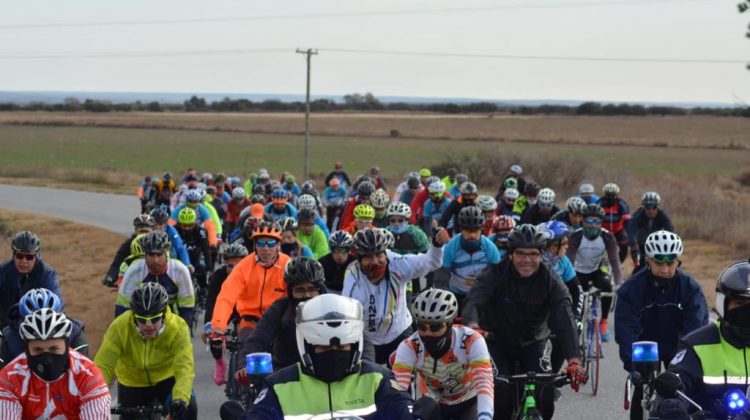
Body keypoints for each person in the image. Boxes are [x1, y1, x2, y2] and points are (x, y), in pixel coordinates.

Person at [462, 224, 586, 420]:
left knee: (546, 396)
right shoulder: (495, 273)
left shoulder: (550, 280)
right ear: (510, 254)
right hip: (497, 342)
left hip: (534, 342)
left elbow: (565, 318)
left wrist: (574, 360)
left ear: (541, 255)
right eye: (520, 253)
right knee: (501, 399)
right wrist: (473, 325)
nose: (527, 260)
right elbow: (474, 300)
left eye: (533, 254)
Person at [245, 294, 414, 419]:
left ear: (355, 344)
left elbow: (401, 408)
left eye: (341, 346)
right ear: (307, 347)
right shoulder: (279, 387)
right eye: (323, 347)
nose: (334, 352)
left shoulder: (377, 380)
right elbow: (260, 414)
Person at [653, 260, 750, 418]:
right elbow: (678, 381)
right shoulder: (697, 345)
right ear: (723, 304)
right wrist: (673, 405)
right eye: (740, 303)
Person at [343, 227, 449, 364]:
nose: (375, 262)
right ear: (359, 259)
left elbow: (431, 262)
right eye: (368, 257)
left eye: (379, 255)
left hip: (400, 331)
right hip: (368, 339)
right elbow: (347, 317)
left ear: (385, 253)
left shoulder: (397, 263)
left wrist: (437, 246)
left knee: (408, 375)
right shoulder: (353, 279)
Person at [96, 283, 196, 420]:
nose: (148, 325)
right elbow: (103, 365)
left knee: (188, 407)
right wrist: (95, 395)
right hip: (132, 382)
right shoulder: (120, 326)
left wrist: (180, 399)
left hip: (166, 378)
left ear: (164, 315)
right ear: (134, 316)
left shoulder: (178, 327)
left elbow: (185, 367)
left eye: (154, 319)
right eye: (142, 320)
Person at [392, 289, 494, 420]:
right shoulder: (409, 347)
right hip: (433, 403)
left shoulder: (471, 340)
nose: (428, 333)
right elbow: (397, 392)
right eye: (422, 327)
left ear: (450, 323)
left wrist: (485, 417)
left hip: (469, 401)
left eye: (435, 327)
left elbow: (484, 382)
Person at [615, 231, 707, 373]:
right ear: (648, 261)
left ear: (678, 262)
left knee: (682, 385)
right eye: (659, 263)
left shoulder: (690, 288)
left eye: (670, 263)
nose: (665, 270)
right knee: (640, 379)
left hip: (677, 345)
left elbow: (697, 327)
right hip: (645, 347)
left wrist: (690, 361)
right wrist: (632, 366)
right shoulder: (631, 288)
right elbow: (625, 329)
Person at [0, 308, 110, 418]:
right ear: (27, 350)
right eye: (38, 350)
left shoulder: (88, 376)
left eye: (54, 349)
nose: (47, 359)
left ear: (67, 346)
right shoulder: (9, 378)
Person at [210, 221, 290, 342]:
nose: (266, 248)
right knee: (247, 349)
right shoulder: (243, 266)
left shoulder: (288, 265)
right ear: (254, 245)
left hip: (279, 320)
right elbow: (226, 297)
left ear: (278, 245)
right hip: (250, 321)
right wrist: (218, 328)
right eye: (261, 243)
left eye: (271, 243)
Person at [566, 203, 621, 342]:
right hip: (578, 272)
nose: (593, 225)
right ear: (582, 221)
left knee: (607, 286)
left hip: (597, 270)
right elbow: (569, 260)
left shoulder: (607, 237)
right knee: (579, 299)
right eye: (589, 221)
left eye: (597, 222)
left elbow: (614, 261)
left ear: (601, 223)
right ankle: (576, 325)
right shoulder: (575, 236)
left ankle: (603, 322)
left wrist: (619, 283)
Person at [116, 231, 195, 327]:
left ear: (166, 254)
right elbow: (122, 308)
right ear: (144, 255)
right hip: (142, 322)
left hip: (171, 320)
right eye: (151, 255)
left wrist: (182, 332)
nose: (155, 260)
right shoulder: (134, 271)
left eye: (159, 255)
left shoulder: (180, 271)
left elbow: (187, 308)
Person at [538, 221, 584, 372]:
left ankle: (552, 374)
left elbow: (577, 290)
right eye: (564, 243)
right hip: (532, 314)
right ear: (553, 247)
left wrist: (576, 317)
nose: (567, 246)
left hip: (554, 312)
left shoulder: (563, 262)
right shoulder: (532, 262)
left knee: (566, 334)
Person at [1, 288, 88, 368]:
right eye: (34, 322)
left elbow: (82, 369)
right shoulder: (10, 338)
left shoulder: (75, 333)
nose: (42, 328)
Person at [435, 206, 501, 311]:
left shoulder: (490, 248)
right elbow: (441, 279)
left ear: (481, 228)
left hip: (479, 295)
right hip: (455, 295)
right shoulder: (451, 247)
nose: (472, 235)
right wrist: (444, 300)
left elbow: (497, 277)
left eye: (475, 230)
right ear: (461, 228)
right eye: (468, 230)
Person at [204, 243, 249, 385]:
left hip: (246, 308)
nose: (235, 269)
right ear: (225, 265)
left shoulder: (253, 272)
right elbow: (211, 301)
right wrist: (208, 325)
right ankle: (220, 363)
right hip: (226, 308)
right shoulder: (219, 276)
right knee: (214, 335)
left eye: (239, 265)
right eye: (230, 266)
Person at [0, 231, 61, 329]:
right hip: (8, 328)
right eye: (19, 256)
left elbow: (56, 307)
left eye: (29, 257)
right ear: (13, 255)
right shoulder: (2, 271)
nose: (24, 261)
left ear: (36, 256)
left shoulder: (47, 275)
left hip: (38, 328)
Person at [626, 191, 675, 272]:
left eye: (654, 207)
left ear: (657, 206)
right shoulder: (637, 216)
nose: (651, 210)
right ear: (644, 207)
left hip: (656, 244)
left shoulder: (663, 215)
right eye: (647, 207)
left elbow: (671, 231)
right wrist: (634, 245)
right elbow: (631, 232)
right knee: (640, 266)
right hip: (640, 245)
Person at [176, 207, 214, 291]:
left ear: (194, 223)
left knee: (202, 268)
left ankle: (203, 290)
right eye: (184, 225)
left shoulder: (200, 231)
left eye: (190, 225)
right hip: (179, 258)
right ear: (179, 223)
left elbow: (206, 249)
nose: (187, 228)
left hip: (195, 256)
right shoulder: (174, 230)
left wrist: (209, 268)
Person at [597, 182, 631, 263]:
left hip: (618, 229)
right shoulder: (599, 203)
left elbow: (627, 221)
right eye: (608, 195)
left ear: (617, 195)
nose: (610, 197)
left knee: (624, 244)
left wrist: (628, 234)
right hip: (603, 229)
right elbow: (595, 218)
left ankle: (619, 263)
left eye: (613, 195)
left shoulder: (622, 204)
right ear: (605, 195)